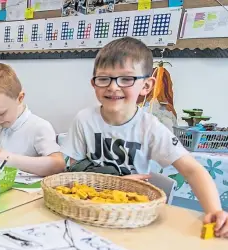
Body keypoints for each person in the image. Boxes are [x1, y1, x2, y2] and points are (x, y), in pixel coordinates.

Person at [62, 37, 228, 238]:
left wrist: (214, 211)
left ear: (146, 86)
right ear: (94, 83)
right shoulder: (84, 119)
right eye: (104, 78)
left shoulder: (149, 127)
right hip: (88, 210)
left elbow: (192, 170)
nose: (113, 87)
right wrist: (117, 180)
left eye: (126, 79)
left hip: (130, 217)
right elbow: (74, 168)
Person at [0, 62, 65, 177]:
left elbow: (59, 165)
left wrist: (12, 160)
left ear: (20, 98)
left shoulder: (39, 127)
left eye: (1, 113)